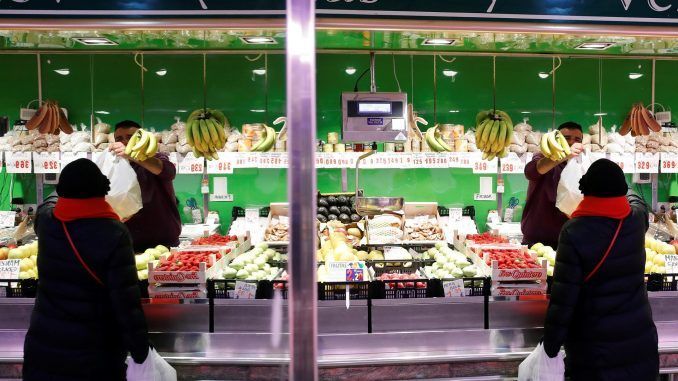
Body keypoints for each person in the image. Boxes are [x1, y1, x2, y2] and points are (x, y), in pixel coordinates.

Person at [23, 159, 150, 381]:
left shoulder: (47, 222)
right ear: (102, 191)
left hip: (43, 349)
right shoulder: (114, 233)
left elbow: (48, 204)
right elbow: (126, 303)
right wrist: (140, 351)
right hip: (93, 355)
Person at [542, 159, 659, 380]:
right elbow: (636, 201)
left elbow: (564, 299)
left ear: (586, 190)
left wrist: (551, 344)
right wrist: (623, 184)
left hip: (596, 350)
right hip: (639, 340)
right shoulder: (635, 220)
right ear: (620, 190)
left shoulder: (574, 231)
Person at [110, 120, 181, 252]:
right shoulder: (113, 167)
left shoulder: (156, 159)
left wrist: (133, 155)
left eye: (130, 138)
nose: (124, 142)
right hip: (128, 243)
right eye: (119, 139)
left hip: (163, 242)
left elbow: (168, 171)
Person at [521, 121, 584, 248]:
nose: (572, 142)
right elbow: (531, 172)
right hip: (537, 240)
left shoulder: (582, 166)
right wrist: (564, 155)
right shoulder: (543, 158)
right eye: (566, 138)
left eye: (577, 139)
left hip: (569, 240)